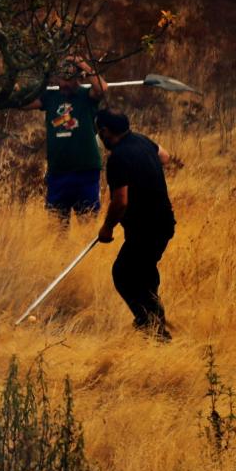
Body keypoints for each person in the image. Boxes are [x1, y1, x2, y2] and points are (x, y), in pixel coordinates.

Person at [95, 111, 183, 340]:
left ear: (105, 131)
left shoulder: (117, 158)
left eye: (99, 131)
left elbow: (120, 201)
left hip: (146, 228)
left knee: (123, 274)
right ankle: (154, 321)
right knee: (145, 272)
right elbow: (164, 156)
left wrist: (107, 228)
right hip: (164, 223)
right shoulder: (142, 140)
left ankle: (152, 327)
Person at [23, 56, 109, 218]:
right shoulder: (50, 96)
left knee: (88, 220)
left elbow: (102, 88)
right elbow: (23, 103)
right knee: (56, 226)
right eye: (60, 78)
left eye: (68, 79)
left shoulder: (87, 96)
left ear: (79, 77)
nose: (64, 84)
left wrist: (80, 62)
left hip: (86, 171)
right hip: (58, 172)